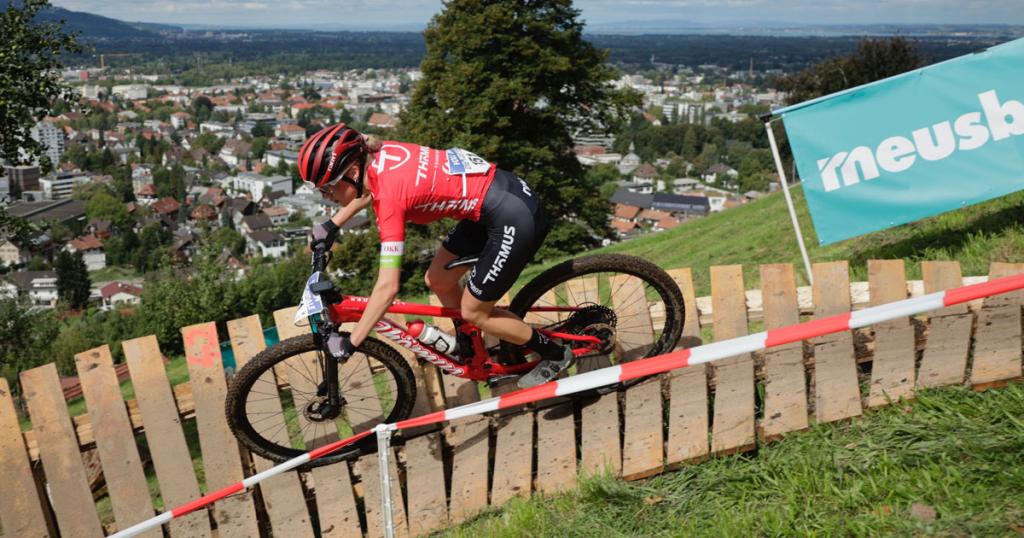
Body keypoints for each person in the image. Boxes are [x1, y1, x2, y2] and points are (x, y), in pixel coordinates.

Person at [298, 122, 572, 388]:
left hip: (513, 215)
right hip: (495, 198)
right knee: (438, 279)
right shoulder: (377, 155)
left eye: (329, 186)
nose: (327, 195)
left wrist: (351, 343)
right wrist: (332, 224)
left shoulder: (390, 198)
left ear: (354, 171)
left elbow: (387, 287)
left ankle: (555, 354)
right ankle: (472, 345)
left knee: (474, 312)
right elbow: (367, 190)